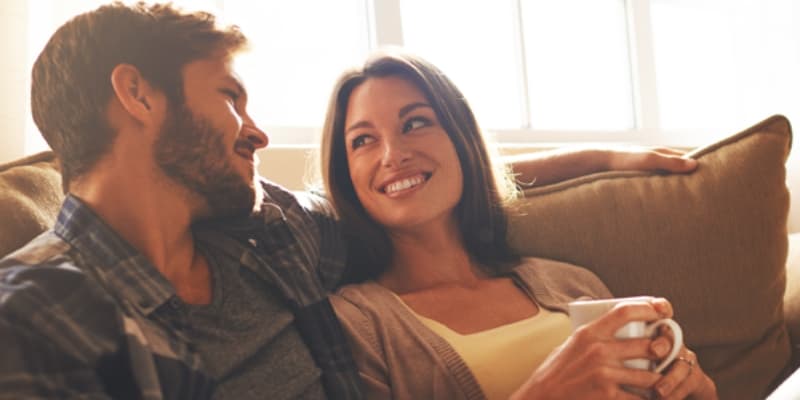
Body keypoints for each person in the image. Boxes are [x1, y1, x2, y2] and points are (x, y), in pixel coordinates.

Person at [0, 2, 698, 399]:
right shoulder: (36, 318)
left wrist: (600, 158)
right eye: (231, 99)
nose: (258, 133)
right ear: (137, 94)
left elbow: (415, 187)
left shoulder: (274, 233)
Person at [320, 51, 717, 399]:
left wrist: (696, 390)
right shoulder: (355, 325)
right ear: (347, 175)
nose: (393, 154)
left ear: (461, 141)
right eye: (363, 140)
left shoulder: (573, 284)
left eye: (415, 123)